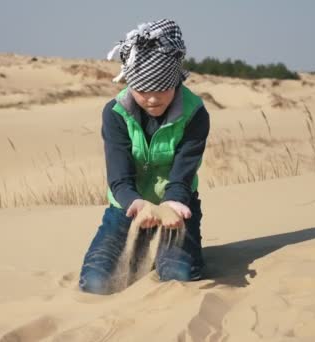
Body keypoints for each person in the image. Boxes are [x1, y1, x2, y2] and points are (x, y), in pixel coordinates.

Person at [79, 19, 210, 295]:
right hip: (126, 208)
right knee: (95, 284)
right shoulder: (115, 114)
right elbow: (119, 179)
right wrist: (138, 204)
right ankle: (143, 241)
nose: (151, 99)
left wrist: (172, 203)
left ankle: (174, 250)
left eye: (161, 88)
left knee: (178, 278)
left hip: (176, 208)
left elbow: (183, 174)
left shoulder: (195, 114)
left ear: (175, 80)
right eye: (142, 90)